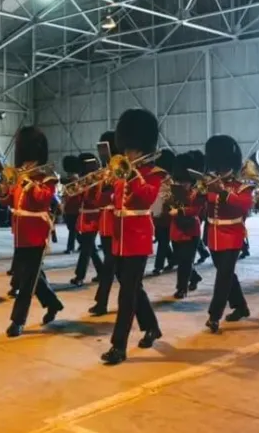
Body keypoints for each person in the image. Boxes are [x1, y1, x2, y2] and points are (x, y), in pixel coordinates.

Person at [100, 109, 166, 365]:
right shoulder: (122, 169)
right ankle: (151, 326)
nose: (127, 153)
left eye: (131, 149)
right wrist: (105, 183)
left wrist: (132, 175)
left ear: (142, 148)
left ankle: (118, 346)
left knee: (126, 293)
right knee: (132, 287)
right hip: (119, 236)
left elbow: (147, 197)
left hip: (138, 237)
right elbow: (109, 200)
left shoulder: (153, 173)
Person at [2, 126, 64, 337]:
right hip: (20, 232)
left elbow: (43, 199)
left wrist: (29, 183)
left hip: (37, 232)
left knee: (27, 281)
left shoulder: (47, 176)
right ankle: (53, 303)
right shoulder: (20, 175)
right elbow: (12, 199)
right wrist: (2, 192)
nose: (26, 163)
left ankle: (17, 321)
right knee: (28, 275)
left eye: (29, 159)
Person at [202, 135, 254, 334]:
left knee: (223, 277)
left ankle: (214, 316)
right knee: (227, 274)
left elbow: (244, 205)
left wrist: (222, 192)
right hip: (213, 234)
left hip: (232, 234)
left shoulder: (242, 185)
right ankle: (241, 306)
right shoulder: (210, 181)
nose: (220, 169)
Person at [168, 152, 204, 299]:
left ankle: (181, 289)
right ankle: (194, 277)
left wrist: (180, 211)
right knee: (181, 259)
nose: (183, 184)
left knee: (186, 261)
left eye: (185, 181)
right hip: (176, 230)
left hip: (191, 231)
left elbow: (196, 209)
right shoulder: (174, 192)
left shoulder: (197, 193)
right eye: (181, 181)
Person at [90, 131, 118, 316]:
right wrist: (103, 187)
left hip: (119, 224)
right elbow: (98, 201)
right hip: (106, 225)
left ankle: (102, 302)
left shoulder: (123, 171)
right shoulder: (105, 173)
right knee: (112, 268)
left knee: (113, 268)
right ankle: (101, 302)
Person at [71, 153, 105, 286]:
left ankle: (79, 276)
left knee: (86, 248)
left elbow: (95, 201)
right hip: (84, 216)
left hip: (92, 217)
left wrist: (83, 193)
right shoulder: (86, 180)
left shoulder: (97, 181)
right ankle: (101, 271)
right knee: (89, 247)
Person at [151, 149, 177, 275]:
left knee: (163, 241)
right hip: (156, 212)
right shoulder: (159, 176)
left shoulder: (168, 179)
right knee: (162, 239)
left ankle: (158, 266)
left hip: (166, 214)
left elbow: (171, 197)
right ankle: (172, 259)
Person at [61, 155, 82, 254]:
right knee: (72, 228)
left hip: (75, 207)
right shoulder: (69, 179)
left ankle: (70, 247)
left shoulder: (76, 179)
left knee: (73, 229)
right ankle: (82, 243)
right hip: (69, 207)